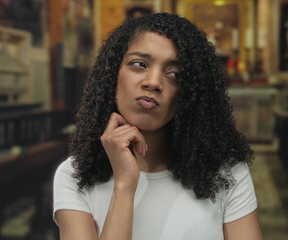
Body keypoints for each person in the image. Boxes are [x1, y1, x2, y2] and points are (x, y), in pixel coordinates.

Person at [53, 13, 263, 240]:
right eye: (138, 64)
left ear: (191, 92)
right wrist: (124, 185)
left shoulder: (226, 172)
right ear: (112, 73)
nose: (153, 82)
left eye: (174, 74)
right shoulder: (74, 176)